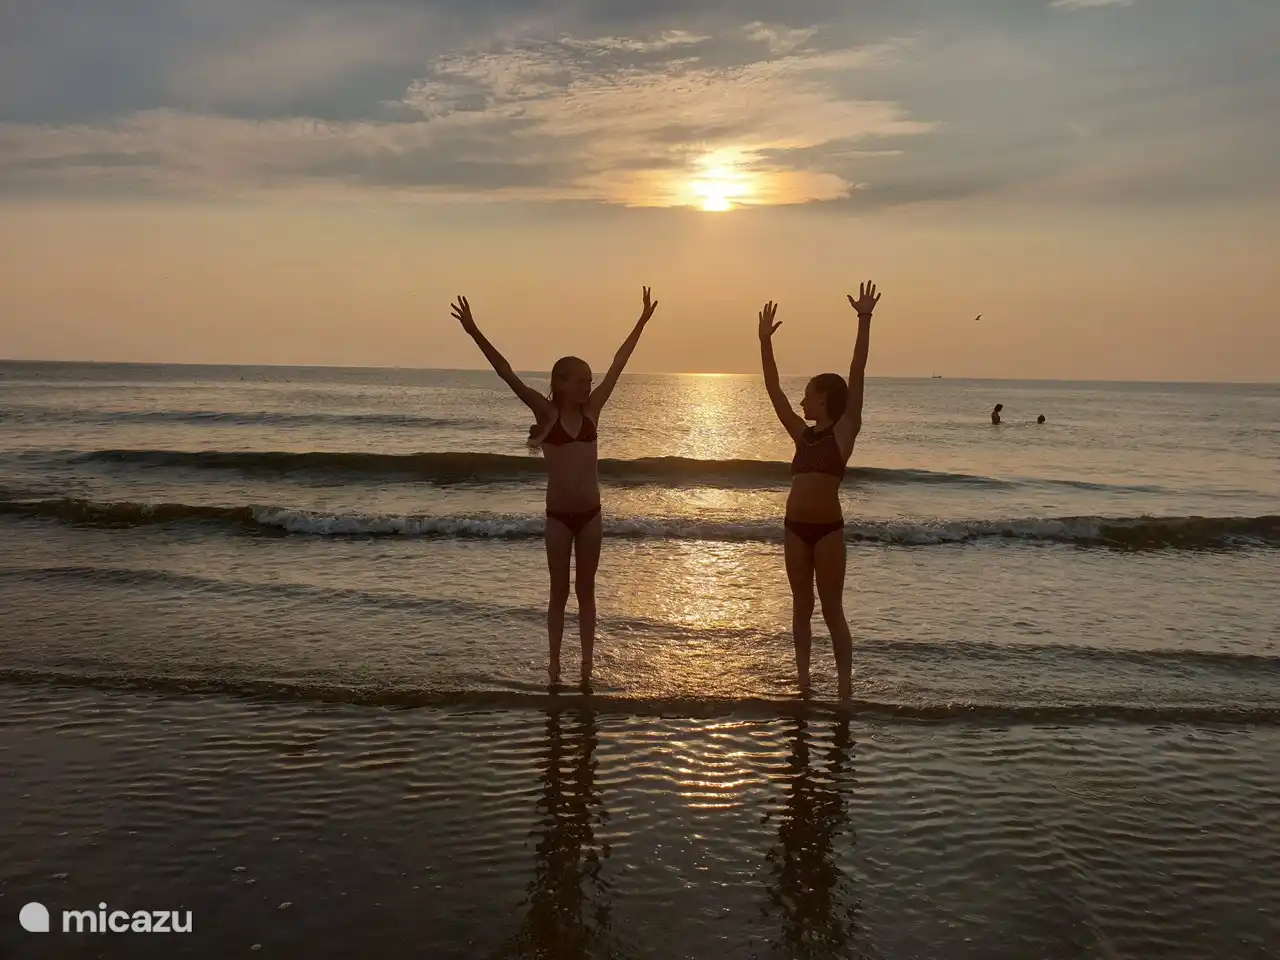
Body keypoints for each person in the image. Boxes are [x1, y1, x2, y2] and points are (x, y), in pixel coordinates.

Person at [452, 288, 658, 687]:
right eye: (581, 380)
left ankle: (585, 665)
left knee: (587, 591)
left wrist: (642, 321)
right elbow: (506, 372)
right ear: (560, 384)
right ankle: (553, 666)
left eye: (589, 380)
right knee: (558, 591)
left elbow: (619, 363)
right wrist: (475, 332)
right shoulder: (544, 413)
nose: (588, 385)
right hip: (559, 518)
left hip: (591, 516)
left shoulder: (593, 410)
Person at [757, 281, 882, 699]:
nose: (802, 402)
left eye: (808, 396)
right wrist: (764, 343)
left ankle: (845, 688)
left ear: (825, 399)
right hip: (794, 527)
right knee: (801, 607)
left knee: (831, 609)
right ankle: (804, 682)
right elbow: (774, 393)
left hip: (828, 530)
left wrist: (864, 319)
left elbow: (857, 371)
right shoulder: (801, 435)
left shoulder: (845, 432)